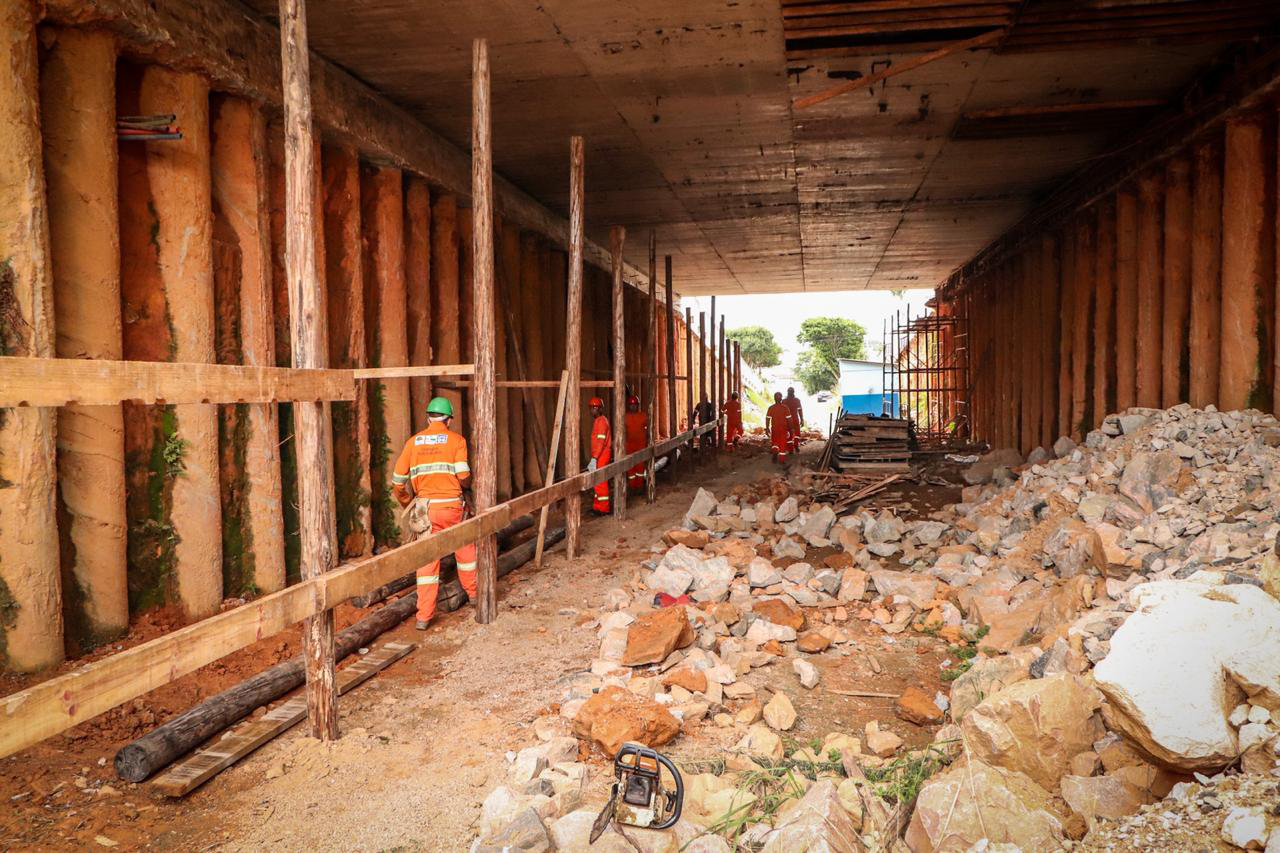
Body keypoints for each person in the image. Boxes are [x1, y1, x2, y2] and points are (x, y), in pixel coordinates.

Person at [391, 396, 475, 630]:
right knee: (465, 548)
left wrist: (408, 501)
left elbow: (397, 482)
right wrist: (467, 487)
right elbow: (463, 475)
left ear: (428, 417)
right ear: (449, 420)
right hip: (451, 507)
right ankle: (474, 595)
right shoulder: (457, 440)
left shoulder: (413, 442)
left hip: (425, 509)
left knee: (427, 563)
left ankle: (423, 617)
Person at [587, 396, 611, 514]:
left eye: (596, 408)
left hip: (602, 455)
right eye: (592, 408)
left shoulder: (601, 421)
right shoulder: (598, 421)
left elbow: (601, 442)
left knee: (601, 482)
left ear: (601, 409)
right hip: (599, 455)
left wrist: (594, 458)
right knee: (597, 482)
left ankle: (604, 508)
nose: (593, 410)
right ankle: (597, 506)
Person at [624, 395, 649, 492]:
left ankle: (640, 486)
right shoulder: (625, 417)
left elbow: (648, 431)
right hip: (629, 445)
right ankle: (632, 486)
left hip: (641, 445)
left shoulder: (643, 416)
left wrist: (647, 443)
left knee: (640, 466)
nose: (633, 407)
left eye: (634, 405)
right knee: (630, 467)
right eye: (631, 405)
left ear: (638, 406)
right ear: (628, 406)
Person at [766, 392, 795, 465]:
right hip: (783, 429)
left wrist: (767, 428)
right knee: (782, 444)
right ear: (781, 399)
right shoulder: (785, 408)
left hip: (774, 429)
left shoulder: (771, 408)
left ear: (774, 399)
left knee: (775, 442)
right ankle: (782, 460)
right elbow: (789, 420)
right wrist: (791, 429)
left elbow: (767, 419)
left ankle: (775, 454)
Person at [783, 387, 804, 453]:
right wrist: (802, 419)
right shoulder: (797, 400)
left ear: (787, 392)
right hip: (795, 419)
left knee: (789, 434)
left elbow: (781, 412)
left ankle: (790, 449)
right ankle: (796, 446)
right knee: (797, 433)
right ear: (793, 392)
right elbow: (800, 410)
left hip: (787, 420)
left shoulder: (784, 401)